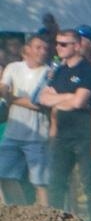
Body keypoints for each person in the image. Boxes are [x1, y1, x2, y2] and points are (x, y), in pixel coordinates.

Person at [37, 27, 91, 216]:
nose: (58, 47)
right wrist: (69, 97)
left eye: (64, 44)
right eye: (57, 43)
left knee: (88, 183)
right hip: (62, 134)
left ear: (77, 46)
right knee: (56, 181)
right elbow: (43, 98)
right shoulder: (58, 71)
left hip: (84, 135)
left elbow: (79, 102)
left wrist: (60, 99)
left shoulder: (88, 70)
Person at [0, 33, 53, 206]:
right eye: (38, 47)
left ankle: (47, 216)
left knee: (40, 181)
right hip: (12, 134)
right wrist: (4, 92)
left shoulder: (49, 73)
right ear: (27, 49)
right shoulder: (13, 67)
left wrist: (11, 99)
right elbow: (4, 86)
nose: (42, 51)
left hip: (37, 135)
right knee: (3, 174)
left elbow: (39, 104)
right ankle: (20, 212)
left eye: (45, 48)